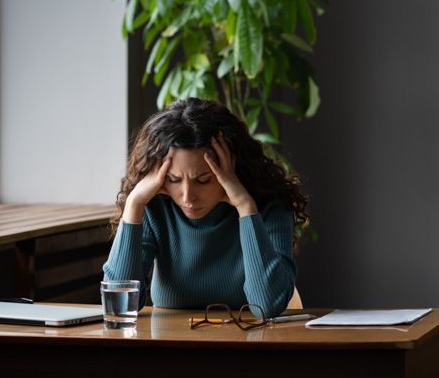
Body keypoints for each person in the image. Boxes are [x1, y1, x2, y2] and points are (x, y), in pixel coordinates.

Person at [102, 97, 309, 318]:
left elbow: (267, 305)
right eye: (173, 179)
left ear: (231, 169)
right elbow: (119, 308)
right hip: (170, 345)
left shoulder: (270, 206)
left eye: (203, 180)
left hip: (248, 345)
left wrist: (246, 206)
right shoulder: (155, 207)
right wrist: (134, 204)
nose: (187, 196)